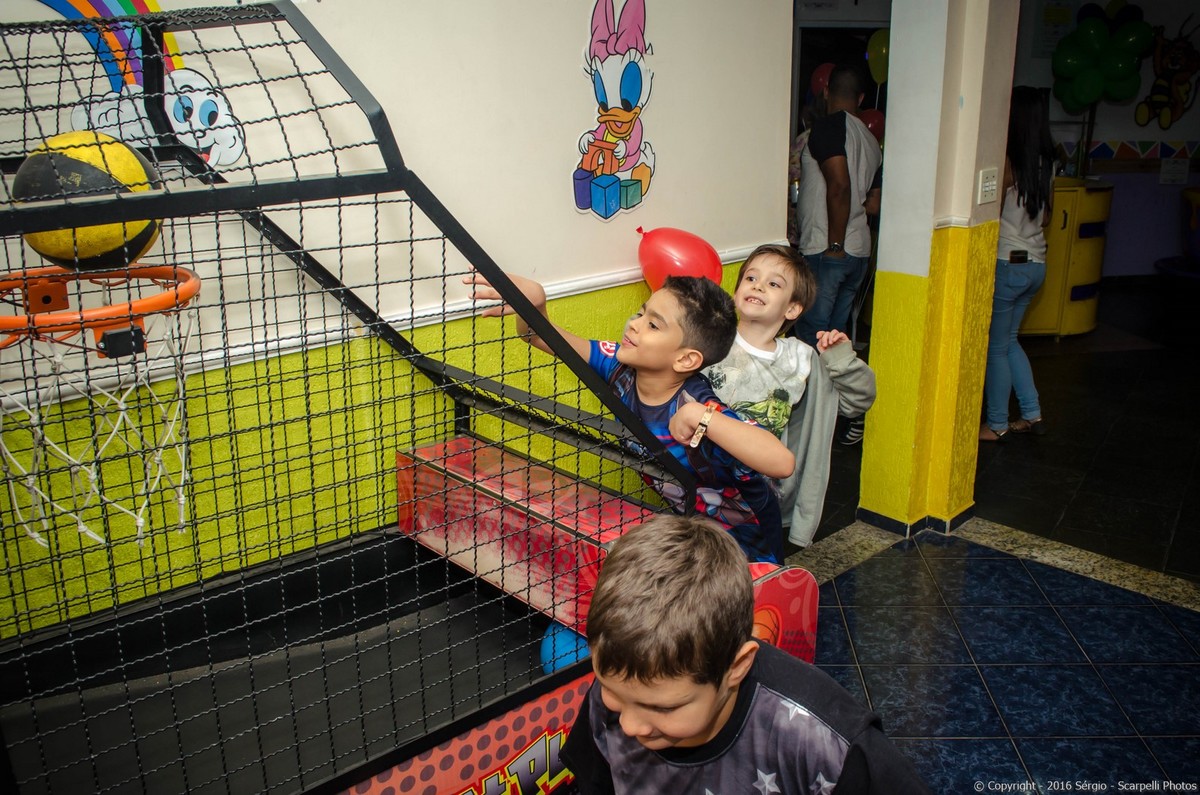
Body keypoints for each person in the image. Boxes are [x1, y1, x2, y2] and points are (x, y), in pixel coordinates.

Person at [559, 515, 933, 794]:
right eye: (614, 693)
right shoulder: (626, 686)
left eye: (663, 708)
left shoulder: (829, 744)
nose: (630, 725)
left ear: (736, 666)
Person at [463, 270, 795, 562]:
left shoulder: (695, 402)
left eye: (653, 324)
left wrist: (700, 416)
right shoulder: (620, 368)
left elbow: (782, 462)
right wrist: (535, 304)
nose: (634, 324)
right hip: (692, 529)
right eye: (640, 313)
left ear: (685, 360)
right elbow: (537, 335)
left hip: (747, 540)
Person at [703, 244, 875, 549]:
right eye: (751, 278)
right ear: (737, 290)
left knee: (755, 568)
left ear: (792, 309)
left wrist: (840, 360)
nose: (758, 285)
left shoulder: (800, 360)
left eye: (773, 284)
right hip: (705, 490)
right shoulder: (709, 339)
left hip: (761, 499)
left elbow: (855, 403)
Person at [980, 86, 1055, 442]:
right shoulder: (1048, 162)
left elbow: (988, 213)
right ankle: (1031, 412)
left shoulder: (1009, 160)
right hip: (1036, 263)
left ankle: (996, 424)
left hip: (1008, 264)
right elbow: (1048, 217)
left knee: (997, 347)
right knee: (1010, 341)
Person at [791, 64, 883, 348]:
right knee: (835, 338)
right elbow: (874, 204)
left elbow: (839, 185)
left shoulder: (828, 126)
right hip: (859, 250)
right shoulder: (871, 141)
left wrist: (834, 245)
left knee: (812, 337)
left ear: (826, 92)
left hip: (828, 248)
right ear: (861, 98)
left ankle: (816, 383)